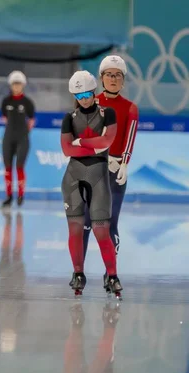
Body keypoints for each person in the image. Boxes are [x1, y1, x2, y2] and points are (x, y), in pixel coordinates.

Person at [60, 70, 122, 298]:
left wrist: (80, 141)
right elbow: (67, 149)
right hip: (73, 177)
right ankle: (78, 273)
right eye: (78, 95)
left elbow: (107, 142)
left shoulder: (109, 113)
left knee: (100, 230)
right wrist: (92, 146)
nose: (84, 98)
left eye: (87, 93)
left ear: (94, 91)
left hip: (99, 176)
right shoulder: (69, 118)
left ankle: (113, 275)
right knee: (75, 230)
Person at [83, 55, 139, 260]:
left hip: (116, 172)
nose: (113, 79)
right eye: (109, 75)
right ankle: (78, 272)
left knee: (110, 224)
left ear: (123, 80)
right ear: (101, 78)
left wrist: (124, 163)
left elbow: (129, 137)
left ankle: (111, 273)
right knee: (86, 223)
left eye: (117, 75)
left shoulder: (131, 107)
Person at [0, 71, 35, 207]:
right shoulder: (5, 101)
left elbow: (31, 120)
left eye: (19, 84)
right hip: (8, 137)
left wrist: (24, 133)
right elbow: (4, 118)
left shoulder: (27, 102)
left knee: (19, 166)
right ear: (10, 85)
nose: (16, 87)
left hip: (22, 138)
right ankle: (9, 196)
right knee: (8, 168)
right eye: (14, 84)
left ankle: (21, 195)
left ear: (23, 85)